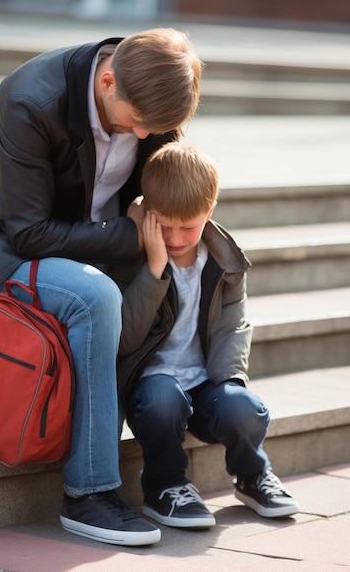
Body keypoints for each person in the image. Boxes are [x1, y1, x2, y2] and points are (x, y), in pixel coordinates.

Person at [0, 28, 202, 546]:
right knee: (98, 296)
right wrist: (131, 234)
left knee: (178, 259)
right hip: (1, 248)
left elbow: (164, 181)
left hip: (90, 244)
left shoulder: (148, 96)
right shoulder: (30, 100)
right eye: (135, 124)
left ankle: (169, 474)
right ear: (107, 81)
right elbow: (28, 231)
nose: (142, 134)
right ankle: (88, 493)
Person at [107, 142, 301, 529]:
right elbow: (126, 339)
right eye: (164, 224)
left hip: (204, 383)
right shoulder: (131, 257)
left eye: (188, 226)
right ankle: (165, 486)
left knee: (243, 407)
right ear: (146, 212)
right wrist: (155, 268)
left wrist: (228, 384)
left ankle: (252, 475)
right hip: (152, 389)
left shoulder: (225, 261)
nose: (176, 237)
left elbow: (234, 325)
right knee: (163, 399)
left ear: (209, 212)